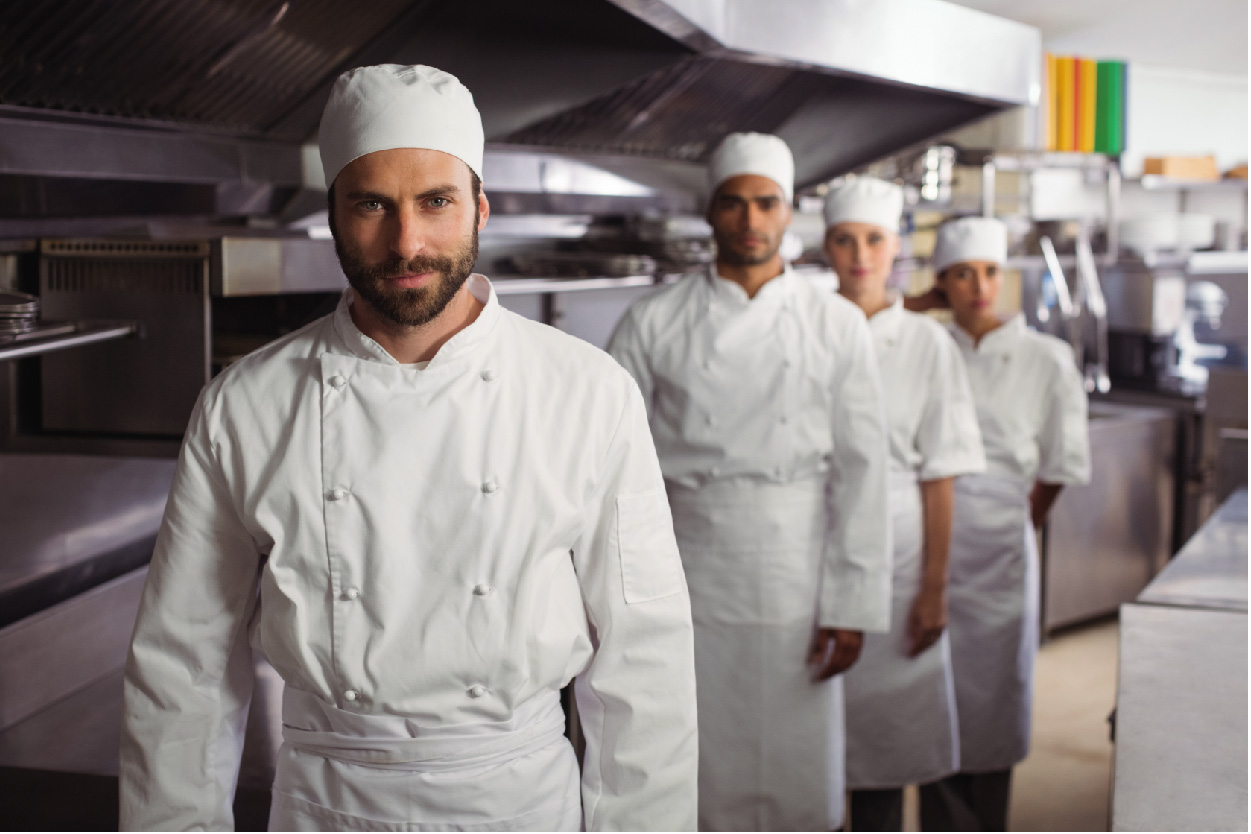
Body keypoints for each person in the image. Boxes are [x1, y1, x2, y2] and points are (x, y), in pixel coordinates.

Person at [118, 64, 699, 832]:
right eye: (371, 205)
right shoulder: (244, 406)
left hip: (518, 802)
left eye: (435, 202)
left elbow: (644, 662)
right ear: (331, 214)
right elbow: (180, 669)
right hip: (327, 805)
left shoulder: (587, 392)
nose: (407, 242)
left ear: (480, 208)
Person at [607, 133, 891, 831]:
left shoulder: (834, 323)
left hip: (798, 567)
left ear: (788, 212)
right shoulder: (654, 320)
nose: (750, 220)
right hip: (688, 564)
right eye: (733, 204)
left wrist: (852, 600)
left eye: (765, 203)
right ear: (710, 213)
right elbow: (610, 466)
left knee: (797, 764)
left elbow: (862, 467)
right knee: (697, 758)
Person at [917, 216, 1091, 831]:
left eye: (990, 272)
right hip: (927, 542)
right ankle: (940, 818)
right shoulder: (926, 345)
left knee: (992, 696)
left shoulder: (1047, 357)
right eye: (961, 274)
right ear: (941, 284)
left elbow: (1061, 462)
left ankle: (985, 820)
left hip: (999, 549)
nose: (978, 286)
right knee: (928, 696)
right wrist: (916, 303)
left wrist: (1016, 524)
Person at [822, 178, 986, 831]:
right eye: (844, 239)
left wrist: (934, 589)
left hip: (900, 553)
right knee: (805, 740)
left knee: (885, 745)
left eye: (873, 240)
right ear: (825, 247)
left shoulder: (927, 344)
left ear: (896, 249)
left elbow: (939, 472)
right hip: (813, 544)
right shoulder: (805, 327)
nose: (859, 255)